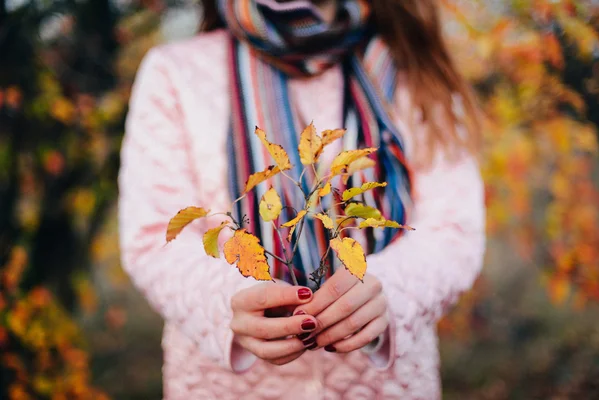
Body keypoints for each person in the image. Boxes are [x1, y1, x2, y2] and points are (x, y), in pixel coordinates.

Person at [118, 0, 486, 398]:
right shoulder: (177, 73)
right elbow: (154, 237)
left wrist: (388, 294)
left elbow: (453, 230)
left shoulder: (410, 65)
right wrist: (230, 305)